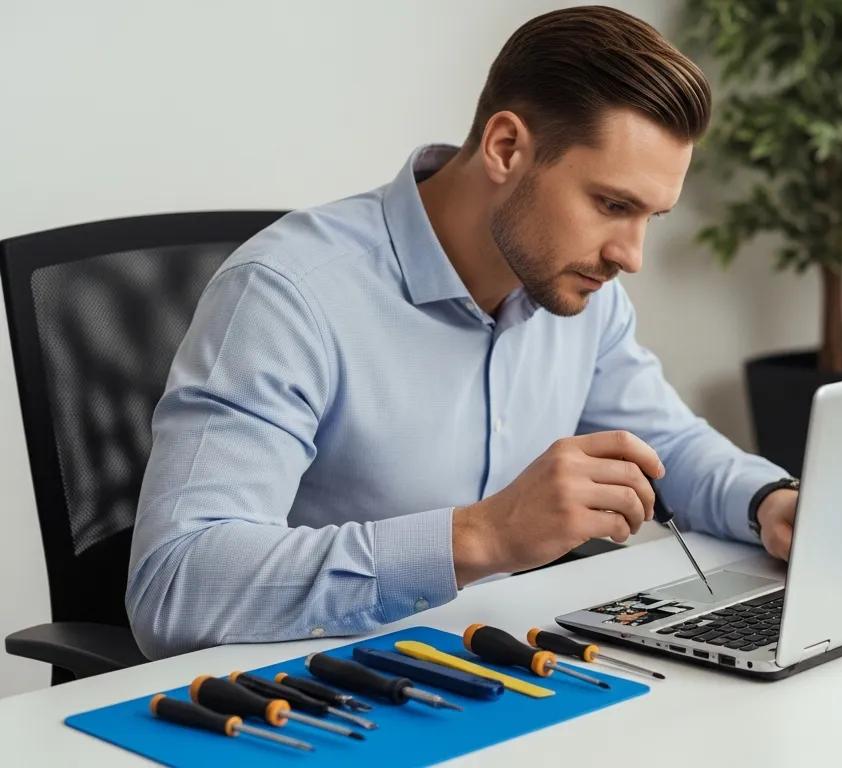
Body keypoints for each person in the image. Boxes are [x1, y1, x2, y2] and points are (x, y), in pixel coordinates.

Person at [125, 6, 800, 659]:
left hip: (499, 664)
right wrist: (481, 536)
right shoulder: (289, 294)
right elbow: (176, 586)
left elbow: (667, 447)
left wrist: (769, 502)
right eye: (612, 205)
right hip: (316, 695)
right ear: (506, 148)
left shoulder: (584, 295)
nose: (630, 255)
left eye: (650, 216)